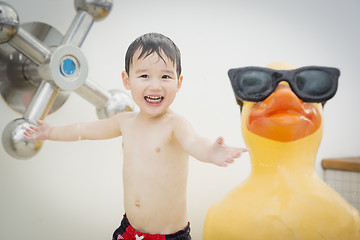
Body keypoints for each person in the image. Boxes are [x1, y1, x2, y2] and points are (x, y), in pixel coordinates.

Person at [24, 32, 249, 240]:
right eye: (144, 75)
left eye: (165, 77)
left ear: (178, 83)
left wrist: (211, 152)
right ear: (127, 80)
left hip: (169, 236)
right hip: (129, 230)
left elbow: (194, 142)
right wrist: (51, 132)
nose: (155, 85)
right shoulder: (125, 121)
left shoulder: (175, 125)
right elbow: (84, 130)